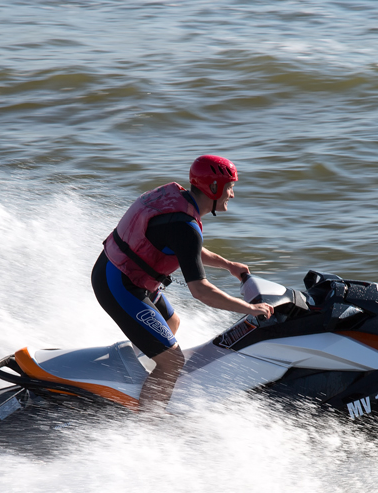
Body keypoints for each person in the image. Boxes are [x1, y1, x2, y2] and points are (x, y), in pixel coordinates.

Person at [91, 154, 274, 411]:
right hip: (119, 283)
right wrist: (249, 309)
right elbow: (201, 291)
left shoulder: (181, 207)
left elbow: (186, 247)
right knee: (173, 362)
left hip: (125, 274)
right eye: (230, 187)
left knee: (171, 322)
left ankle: (132, 382)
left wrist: (227, 265)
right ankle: (148, 425)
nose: (231, 194)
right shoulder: (185, 226)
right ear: (213, 188)